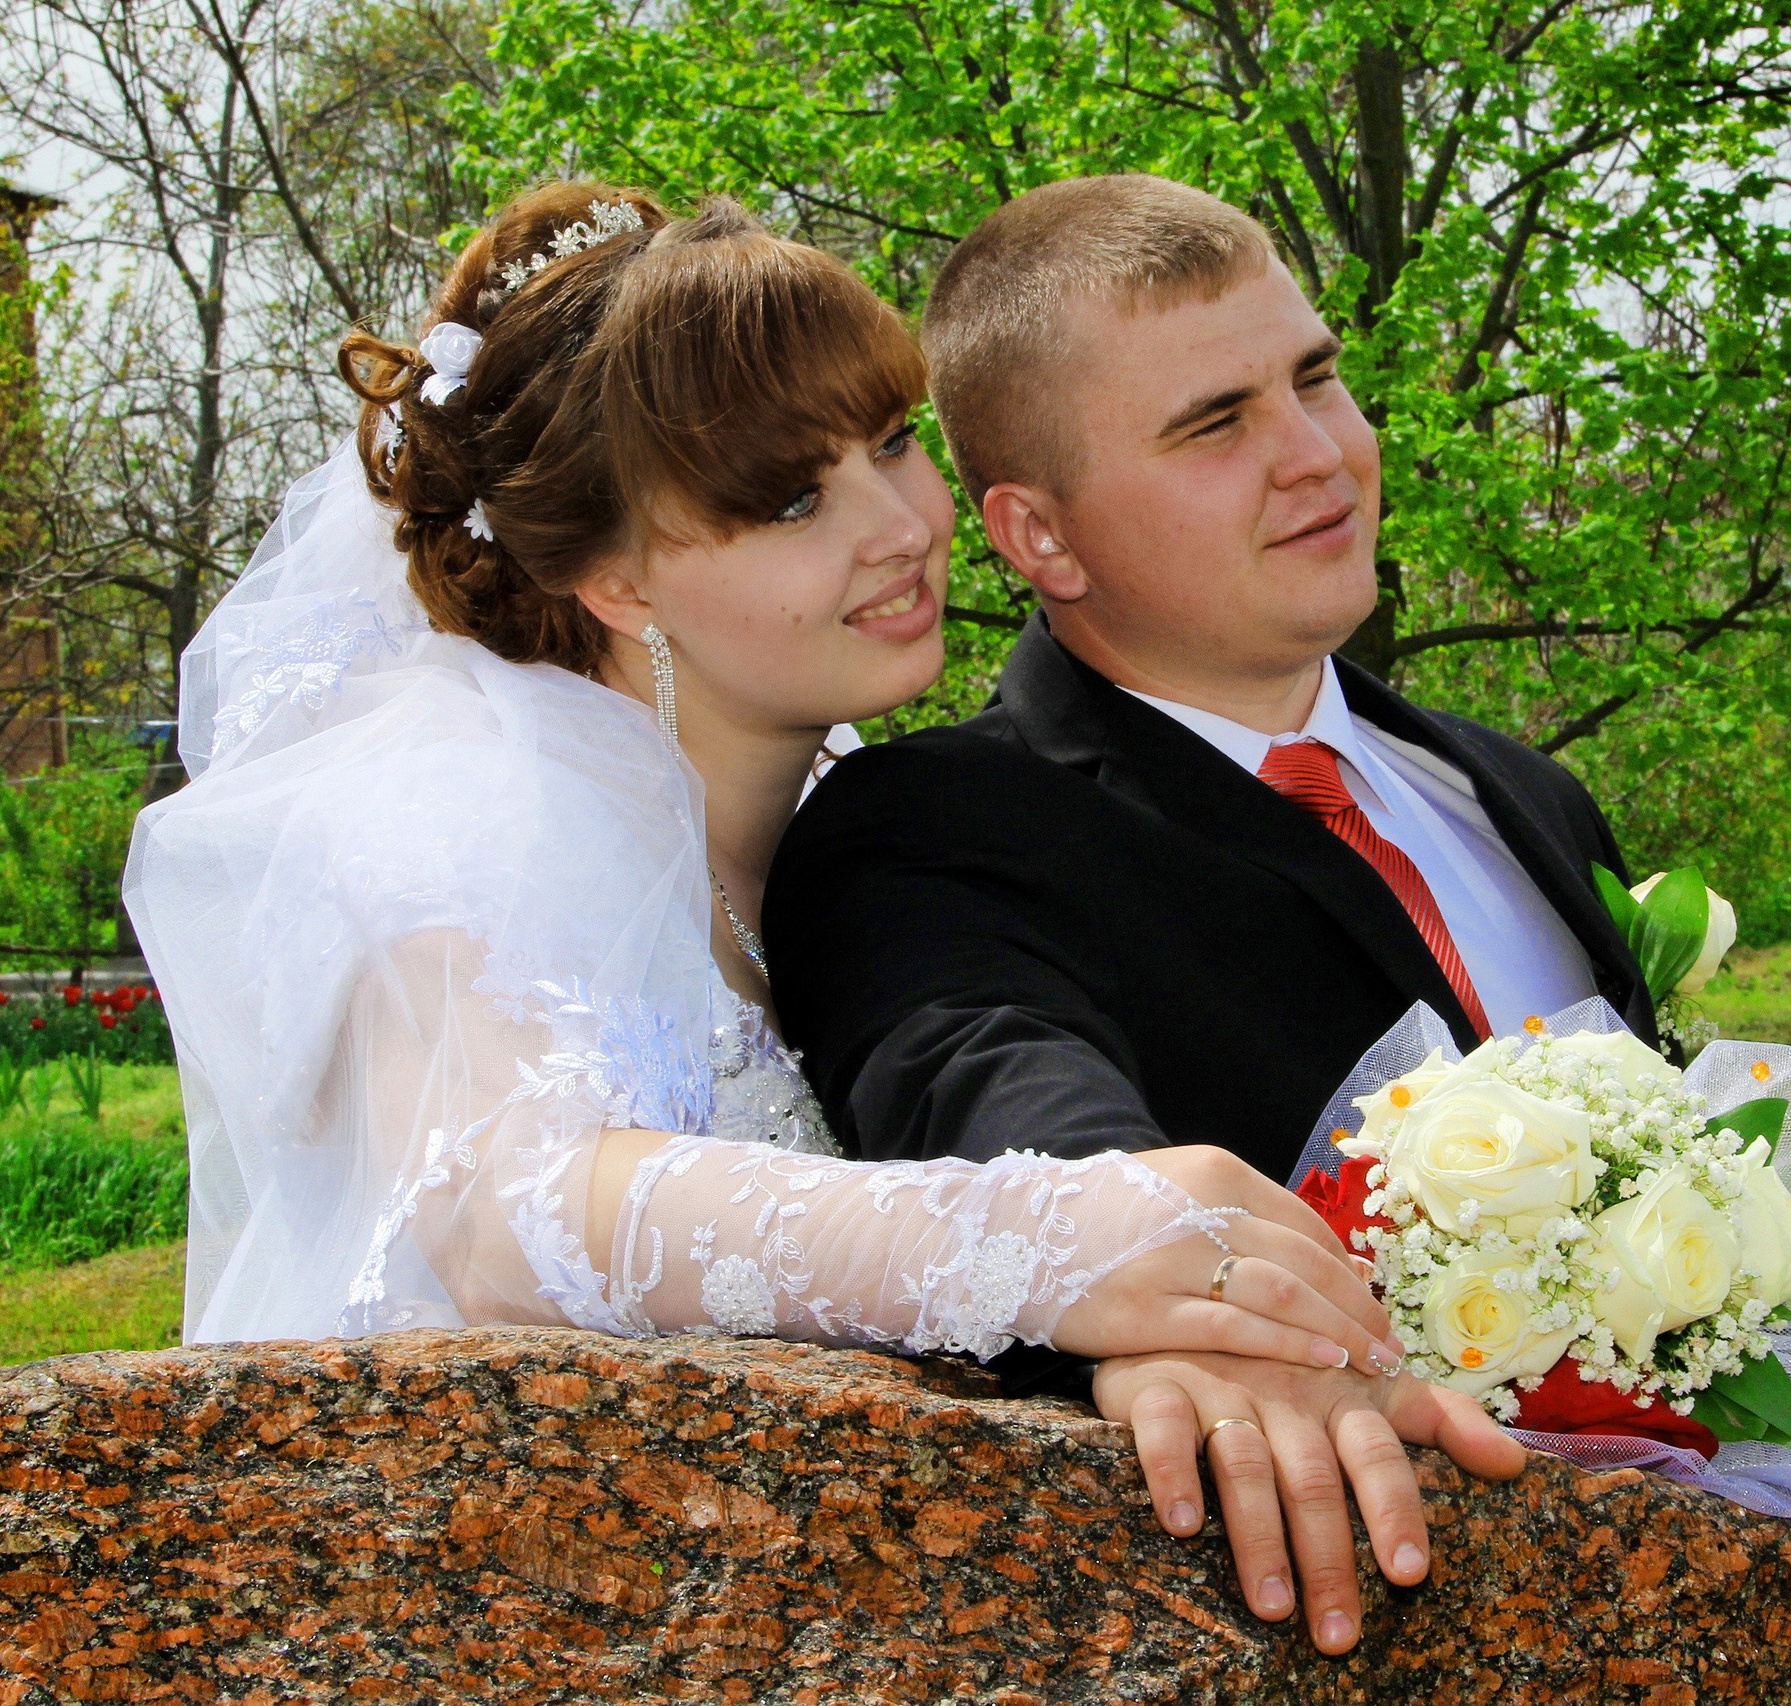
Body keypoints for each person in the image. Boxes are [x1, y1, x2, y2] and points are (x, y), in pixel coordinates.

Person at [123, 184, 1408, 1508]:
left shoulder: (867, 823)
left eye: (893, 441)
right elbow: (505, 1213)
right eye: (795, 499)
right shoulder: (463, 799)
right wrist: (1053, 1244)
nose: (902, 524)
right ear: (617, 578)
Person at [763, 174, 1658, 1656]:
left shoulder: (1522, 794)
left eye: (1315, 377)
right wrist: (1167, 1268)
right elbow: (974, 1057)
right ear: (1042, 539)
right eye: (1214, 423)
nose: (1318, 456)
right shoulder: (933, 829)